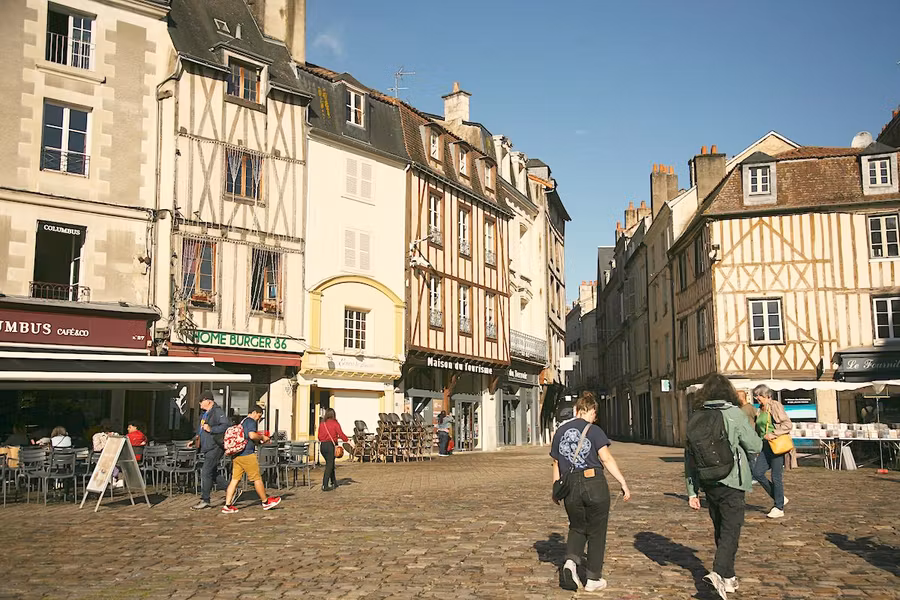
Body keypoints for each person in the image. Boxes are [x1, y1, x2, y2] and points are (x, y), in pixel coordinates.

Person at [686, 374, 762, 600]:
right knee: (731, 529)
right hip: (732, 478)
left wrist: (691, 490)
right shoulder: (734, 414)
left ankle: (728, 578)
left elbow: (689, 457)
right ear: (728, 392)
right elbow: (755, 445)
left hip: (708, 480)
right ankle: (719, 572)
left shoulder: (696, 417)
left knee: (721, 527)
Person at [550, 392, 631, 593]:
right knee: (596, 529)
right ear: (592, 412)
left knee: (577, 526)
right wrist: (622, 482)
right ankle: (593, 578)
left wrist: (555, 489)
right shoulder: (594, 431)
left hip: (569, 486)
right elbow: (606, 459)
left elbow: (556, 463)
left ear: (576, 410)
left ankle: (570, 563)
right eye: (595, 414)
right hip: (593, 481)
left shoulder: (560, 432)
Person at [222, 405, 281, 513]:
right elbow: (252, 435)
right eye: (259, 416)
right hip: (247, 454)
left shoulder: (243, 421)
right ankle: (265, 502)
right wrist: (262, 437)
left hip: (237, 454)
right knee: (256, 478)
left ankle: (227, 505)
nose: (258, 419)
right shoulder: (251, 421)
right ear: (254, 412)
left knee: (235, 480)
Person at [751, 384, 796, 519]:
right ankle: (779, 497)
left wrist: (774, 433)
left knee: (776, 477)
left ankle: (779, 507)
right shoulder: (759, 410)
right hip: (765, 446)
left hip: (777, 445)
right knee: (757, 473)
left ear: (767, 395)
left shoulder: (775, 406)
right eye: (756, 395)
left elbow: (787, 424)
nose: (757, 398)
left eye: (759, 395)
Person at [191, 391, 229, 510]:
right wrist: (194, 439)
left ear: (209, 401)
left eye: (201, 401)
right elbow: (201, 430)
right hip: (206, 446)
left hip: (215, 446)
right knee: (211, 473)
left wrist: (211, 429)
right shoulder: (204, 414)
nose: (199, 404)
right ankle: (231, 488)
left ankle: (205, 499)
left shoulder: (217, 411)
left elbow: (226, 425)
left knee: (206, 471)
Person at [317, 408, 349, 491]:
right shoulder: (335, 423)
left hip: (323, 446)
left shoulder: (322, 424)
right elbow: (341, 434)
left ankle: (334, 482)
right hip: (330, 446)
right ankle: (325, 485)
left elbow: (319, 437)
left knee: (330, 463)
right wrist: (348, 441)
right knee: (329, 465)